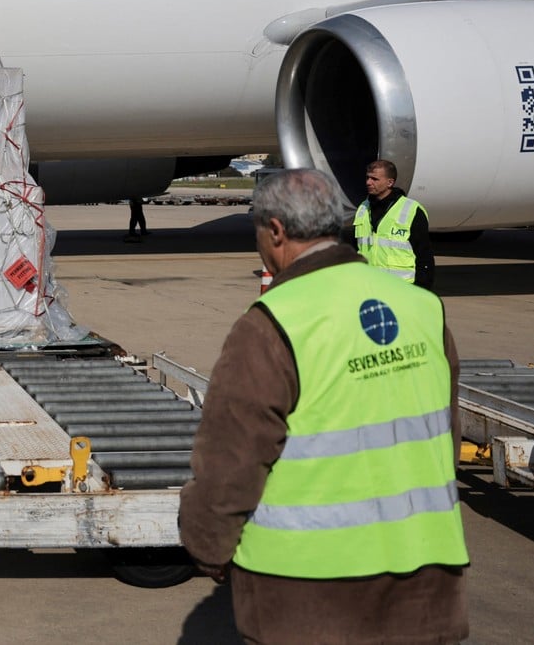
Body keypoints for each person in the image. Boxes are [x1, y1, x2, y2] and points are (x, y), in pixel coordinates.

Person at [178, 168, 468, 645]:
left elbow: (230, 463)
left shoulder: (273, 324)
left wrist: (208, 547)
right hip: (426, 587)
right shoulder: (423, 311)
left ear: (275, 231)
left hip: (311, 596)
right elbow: (444, 437)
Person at [352, 158, 434, 288]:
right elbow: (355, 247)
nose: (368, 182)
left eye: (374, 179)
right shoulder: (363, 208)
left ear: (390, 182)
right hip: (368, 286)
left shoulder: (411, 210)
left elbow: (424, 254)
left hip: (401, 288)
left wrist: (422, 288)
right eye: (367, 178)